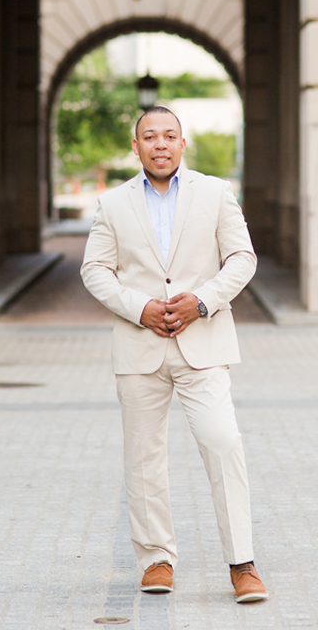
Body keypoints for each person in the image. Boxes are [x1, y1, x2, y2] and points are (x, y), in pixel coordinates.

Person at [80, 106, 268, 604]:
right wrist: (139, 307)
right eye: (149, 136)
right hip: (140, 347)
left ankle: (242, 563)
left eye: (168, 135)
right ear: (135, 147)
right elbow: (95, 269)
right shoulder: (113, 203)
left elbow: (242, 258)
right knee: (144, 458)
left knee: (222, 441)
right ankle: (156, 559)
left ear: (183, 144)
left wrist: (202, 301)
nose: (159, 144)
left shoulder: (215, 192)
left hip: (203, 345)